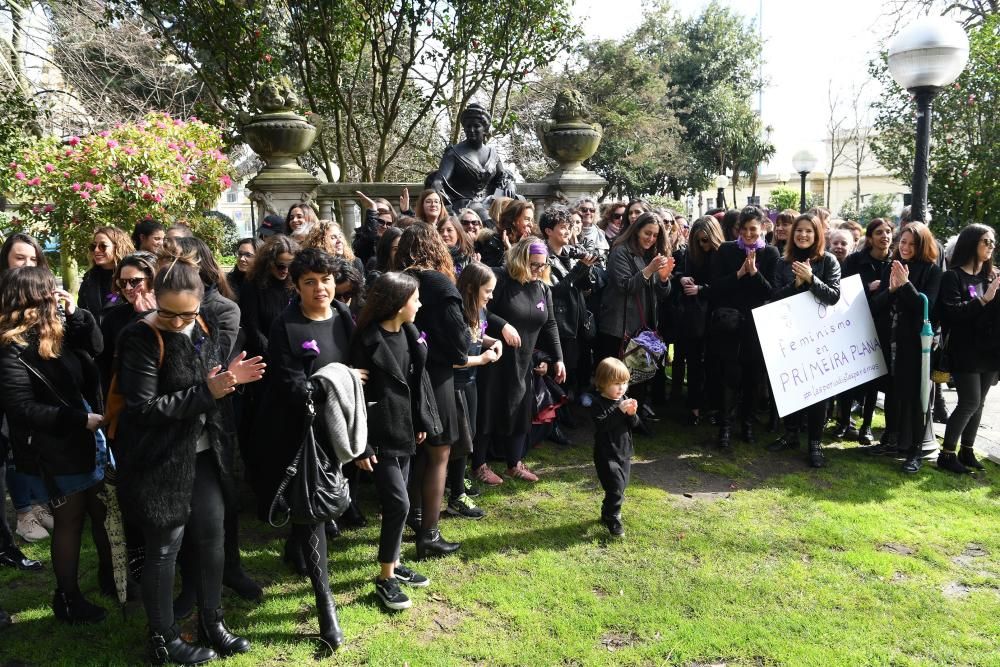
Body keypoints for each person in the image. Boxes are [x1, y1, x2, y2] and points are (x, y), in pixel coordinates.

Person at [115, 261, 263, 663]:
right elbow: (143, 408)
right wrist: (210, 390)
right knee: (165, 546)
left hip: (203, 453)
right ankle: (163, 640)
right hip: (158, 461)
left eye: (188, 313)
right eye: (168, 313)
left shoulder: (202, 327)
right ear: (154, 301)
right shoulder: (139, 337)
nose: (178, 321)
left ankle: (212, 623)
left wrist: (227, 380)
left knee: (212, 537)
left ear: (201, 304)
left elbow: (209, 382)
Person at [249, 248, 363, 650]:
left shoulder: (345, 317)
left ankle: (292, 548)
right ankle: (326, 608)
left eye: (326, 279)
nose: (320, 288)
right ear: (296, 286)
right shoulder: (286, 324)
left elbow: (362, 366)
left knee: (310, 510)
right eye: (310, 282)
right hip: (295, 433)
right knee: (313, 512)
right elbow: (291, 383)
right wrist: (339, 377)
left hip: (337, 431)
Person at [0, 266, 111, 624]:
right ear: (34, 298)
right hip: (59, 447)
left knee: (101, 511)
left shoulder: (57, 332)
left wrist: (78, 313)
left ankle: (113, 580)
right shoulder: (11, 349)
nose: (55, 296)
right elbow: (22, 410)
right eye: (50, 291)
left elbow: (95, 346)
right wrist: (78, 420)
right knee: (70, 520)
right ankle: (67, 599)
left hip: (89, 437)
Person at [351, 272, 438, 610]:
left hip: (404, 431)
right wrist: (363, 445)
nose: (419, 304)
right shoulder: (367, 341)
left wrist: (420, 420)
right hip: (379, 436)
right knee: (399, 503)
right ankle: (385, 578)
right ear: (400, 304)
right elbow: (355, 399)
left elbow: (416, 383)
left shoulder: (409, 333)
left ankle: (395, 562)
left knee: (396, 506)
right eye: (415, 299)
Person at [392, 224, 468, 558]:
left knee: (421, 450)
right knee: (439, 453)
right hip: (435, 376)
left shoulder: (395, 282)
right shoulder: (438, 283)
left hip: (403, 375)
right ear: (435, 247)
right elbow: (458, 345)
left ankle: (418, 516)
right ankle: (429, 534)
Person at [474, 237, 565, 483]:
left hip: (524, 360)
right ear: (520, 260)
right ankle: (479, 464)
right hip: (495, 357)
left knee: (520, 409)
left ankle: (514, 463)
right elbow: (480, 307)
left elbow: (550, 323)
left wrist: (558, 358)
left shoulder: (542, 287)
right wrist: (502, 326)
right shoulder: (501, 279)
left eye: (542, 265)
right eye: (533, 265)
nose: (538, 270)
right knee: (489, 408)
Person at [767, 214, 842, 467]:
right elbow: (775, 299)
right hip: (789, 335)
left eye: (809, 231)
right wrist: (797, 285)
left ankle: (815, 443)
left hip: (818, 334)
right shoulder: (782, 262)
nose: (803, 235)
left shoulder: (828, 261)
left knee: (817, 390)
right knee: (790, 384)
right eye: (799, 230)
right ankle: (790, 433)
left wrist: (811, 280)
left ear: (817, 234)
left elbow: (833, 296)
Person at [871, 222, 942, 473]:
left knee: (916, 397)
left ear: (922, 245)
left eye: (912, 244)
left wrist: (906, 285)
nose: (906, 247)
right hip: (890, 341)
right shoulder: (891, 266)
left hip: (915, 347)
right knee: (891, 391)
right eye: (903, 242)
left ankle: (915, 451)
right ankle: (891, 439)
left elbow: (928, 307)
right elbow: (876, 305)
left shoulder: (932, 271)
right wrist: (891, 288)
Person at [708, 206, 780, 448]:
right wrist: (739, 274)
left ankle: (747, 424)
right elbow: (715, 287)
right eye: (745, 229)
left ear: (762, 229)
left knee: (753, 376)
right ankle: (725, 426)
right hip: (730, 322)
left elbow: (772, 291)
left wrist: (755, 274)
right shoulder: (726, 250)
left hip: (758, 324)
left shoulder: (770, 253)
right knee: (730, 374)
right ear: (738, 229)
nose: (749, 234)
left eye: (754, 230)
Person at [596, 212, 674, 430]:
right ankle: (612, 418)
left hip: (644, 325)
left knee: (639, 375)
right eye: (647, 233)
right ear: (636, 230)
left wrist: (665, 278)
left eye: (655, 235)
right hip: (620, 325)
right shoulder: (620, 251)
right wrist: (649, 270)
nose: (650, 239)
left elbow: (662, 293)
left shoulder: (654, 254)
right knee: (617, 377)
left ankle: (634, 417)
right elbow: (625, 286)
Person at [0, 233, 54, 545]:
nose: (27, 264)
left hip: (30, 377)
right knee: (10, 448)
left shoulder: (38, 287)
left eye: (33, 258)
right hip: (8, 379)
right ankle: (23, 513)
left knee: (30, 443)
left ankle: (37, 503)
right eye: (20, 258)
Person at [936, 224, 1000, 474]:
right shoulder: (952, 277)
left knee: (980, 402)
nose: (991, 246)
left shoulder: (990, 277)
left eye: (993, 242)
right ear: (971, 243)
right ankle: (947, 453)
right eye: (986, 241)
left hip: (989, 350)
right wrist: (984, 299)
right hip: (965, 350)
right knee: (969, 401)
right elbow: (953, 314)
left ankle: (967, 449)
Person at [448, 262, 502, 514]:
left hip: (471, 382)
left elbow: (477, 336)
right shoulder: (456, 314)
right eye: (487, 291)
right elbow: (452, 358)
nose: (491, 296)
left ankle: (457, 481)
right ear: (471, 288)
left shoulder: (478, 310)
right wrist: (481, 359)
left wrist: (493, 341)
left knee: (469, 436)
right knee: (461, 440)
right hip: (455, 386)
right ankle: (456, 495)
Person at [539, 205, 597, 423]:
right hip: (559, 323)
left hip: (577, 321)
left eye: (569, 227)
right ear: (548, 231)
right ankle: (554, 417)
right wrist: (579, 269)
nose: (568, 231)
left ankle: (567, 411)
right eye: (563, 228)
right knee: (557, 371)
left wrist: (587, 267)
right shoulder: (543, 257)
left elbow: (585, 288)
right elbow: (553, 293)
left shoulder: (570, 254)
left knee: (573, 368)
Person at [841, 218, 894, 448]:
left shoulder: (896, 262)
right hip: (856, 323)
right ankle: (844, 421)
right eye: (879, 232)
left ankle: (867, 425)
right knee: (850, 375)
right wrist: (867, 287)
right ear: (870, 237)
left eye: (889, 232)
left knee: (874, 376)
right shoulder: (855, 260)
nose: (885, 236)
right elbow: (843, 290)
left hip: (883, 326)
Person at [670, 216, 724, 425]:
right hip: (693, 317)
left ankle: (711, 407)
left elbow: (726, 285)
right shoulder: (691, 254)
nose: (704, 245)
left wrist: (702, 290)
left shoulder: (723, 253)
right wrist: (681, 278)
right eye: (700, 240)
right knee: (693, 363)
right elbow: (681, 274)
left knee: (713, 364)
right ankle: (693, 407)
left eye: (707, 240)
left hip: (715, 316)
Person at [427, 102, 514, 214]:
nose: (471, 130)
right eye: (468, 126)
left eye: (476, 126)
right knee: (483, 213)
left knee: (517, 204)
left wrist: (510, 184)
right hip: (463, 204)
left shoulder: (493, 154)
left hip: (489, 201)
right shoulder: (453, 153)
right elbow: (439, 181)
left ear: (485, 129)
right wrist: (437, 187)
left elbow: (503, 177)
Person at [590, 358, 639, 538]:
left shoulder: (624, 399)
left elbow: (634, 425)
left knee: (621, 486)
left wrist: (632, 415)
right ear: (603, 383)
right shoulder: (598, 403)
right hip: (606, 453)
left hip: (624, 451)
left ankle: (607, 510)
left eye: (625, 383)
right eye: (617, 383)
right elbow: (602, 425)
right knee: (615, 487)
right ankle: (613, 517)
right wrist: (619, 411)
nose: (622, 388)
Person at [96, 251, 158, 390]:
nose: (128, 288)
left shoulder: (172, 311)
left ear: (153, 279)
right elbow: (106, 365)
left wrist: (150, 316)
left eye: (134, 281)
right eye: (122, 282)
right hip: (127, 395)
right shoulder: (113, 317)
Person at [240, 235, 300, 358]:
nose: (286, 271)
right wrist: (272, 354)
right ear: (268, 262)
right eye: (281, 266)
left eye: (290, 266)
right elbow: (252, 327)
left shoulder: (296, 283)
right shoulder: (252, 284)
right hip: (263, 355)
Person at [77, 226, 135, 326]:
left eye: (103, 246)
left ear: (118, 247)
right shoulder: (89, 278)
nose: (96, 250)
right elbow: (82, 313)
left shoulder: (131, 278)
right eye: (93, 246)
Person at [352, 189, 407, 266]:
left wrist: (406, 212)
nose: (384, 226)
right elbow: (368, 240)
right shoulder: (363, 236)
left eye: (384, 211)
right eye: (376, 212)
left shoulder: (395, 237)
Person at [227, 238, 261, 304]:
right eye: (240, 254)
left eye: (248, 255)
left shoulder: (265, 284)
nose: (242, 259)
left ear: (259, 257)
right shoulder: (229, 281)